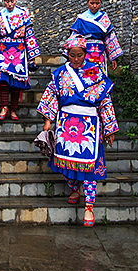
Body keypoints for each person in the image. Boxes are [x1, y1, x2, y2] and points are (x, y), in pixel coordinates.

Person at [38, 35, 118, 227]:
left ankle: (89, 207)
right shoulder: (60, 74)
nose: (76, 59)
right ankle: (74, 189)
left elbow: (105, 101)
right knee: (65, 161)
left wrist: (109, 127)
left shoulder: (96, 72)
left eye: (79, 55)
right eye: (72, 55)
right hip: (66, 123)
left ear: (85, 53)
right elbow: (52, 96)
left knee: (90, 167)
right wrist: (48, 120)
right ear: (67, 54)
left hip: (89, 125)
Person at [0, 0, 41, 121]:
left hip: (19, 51)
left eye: (12, 1)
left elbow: (29, 36)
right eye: (7, 1)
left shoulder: (23, 15)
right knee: (4, 80)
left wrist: (32, 57)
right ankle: (4, 107)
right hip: (3, 51)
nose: (10, 4)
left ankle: (13, 109)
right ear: (4, 1)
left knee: (16, 83)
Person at [68, 0, 123, 71]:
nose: (94, 6)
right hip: (85, 52)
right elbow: (74, 37)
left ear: (101, 3)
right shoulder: (81, 19)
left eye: (97, 3)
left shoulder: (104, 18)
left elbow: (110, 38)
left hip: (100, 53)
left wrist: (113, 58)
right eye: (92, 3)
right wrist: (70, 55)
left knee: (99, 73)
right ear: (87, 2)